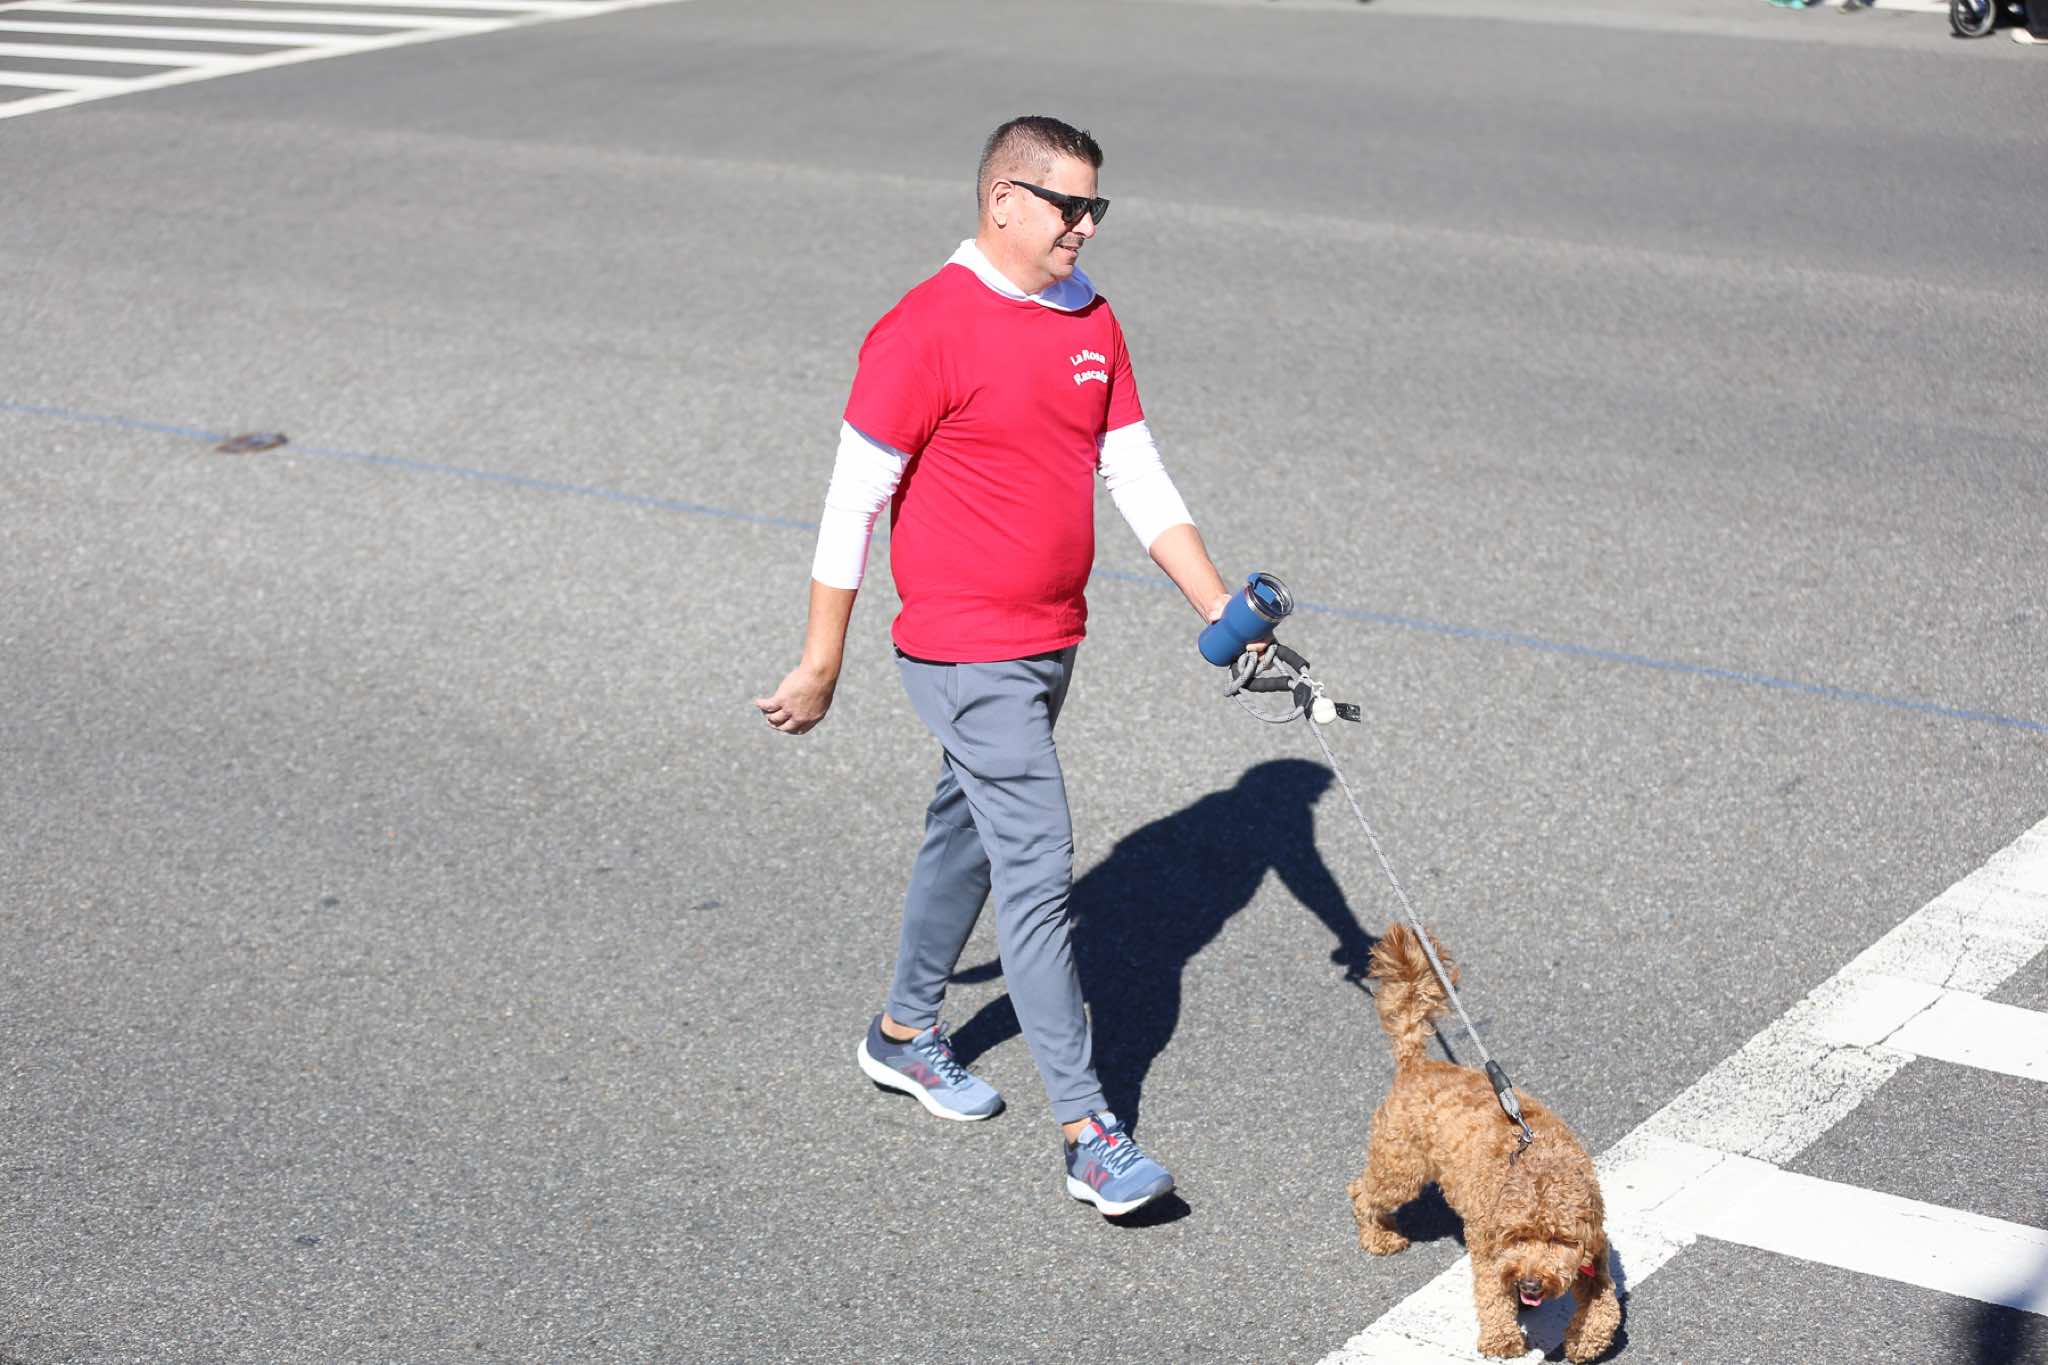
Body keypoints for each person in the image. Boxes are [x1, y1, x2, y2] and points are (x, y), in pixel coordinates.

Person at [753, 115, 1245, 1217]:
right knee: (1035, 863)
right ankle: (1089, 1133)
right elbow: (852, 499)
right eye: (1069, 206)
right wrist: (822, 659)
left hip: (1049, 638)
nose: (1086, 226)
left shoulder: (1091, 318)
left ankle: (901, 1031)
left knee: (965, 831)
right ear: (1003, 201)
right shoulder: (924, 327)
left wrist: (1218, 606)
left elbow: (1137, 476)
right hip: (964, 647)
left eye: (1096, 208)